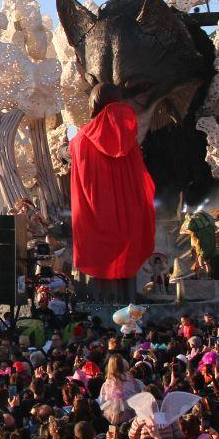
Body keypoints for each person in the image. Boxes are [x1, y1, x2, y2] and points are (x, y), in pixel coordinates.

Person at [68, 83, 155, 302]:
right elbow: (140, 177)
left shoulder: (83, 139)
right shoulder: (128, 136)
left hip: (98, 211)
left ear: (94, 103)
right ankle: (129, 307)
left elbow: (82, 179)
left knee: (101, 260)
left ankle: (103, 308)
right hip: (129, 213)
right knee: (126, 260)